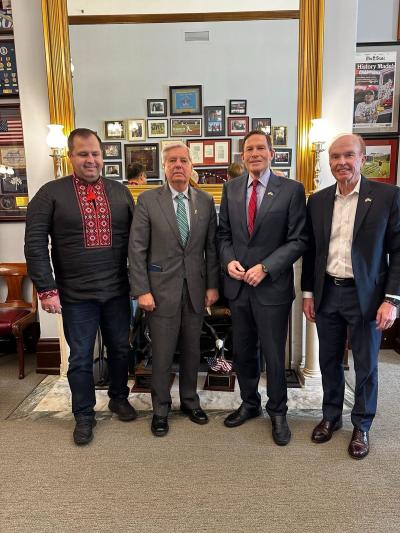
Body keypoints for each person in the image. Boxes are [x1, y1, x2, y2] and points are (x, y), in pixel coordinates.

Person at [24, 128, 137, 446]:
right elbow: (34, 243)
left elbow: (139, 241)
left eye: (95, 153)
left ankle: (118, 397)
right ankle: (84, 415)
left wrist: (142, 283)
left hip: (117, 291)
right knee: (81, 358)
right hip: (75, 296)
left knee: (121, 349)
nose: (90, 160)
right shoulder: (50, 194)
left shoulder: (120, 192)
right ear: (70, 157)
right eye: (83, 154)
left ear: (103, 156)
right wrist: (47, 289)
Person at [301, 133, 400, 460]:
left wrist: (393, 299)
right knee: (328, 360)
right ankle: (330, 416)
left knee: (366, 364)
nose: (341, 162)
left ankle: (362, 424)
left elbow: (398, 252)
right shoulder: (317, 200)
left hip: (368, 297)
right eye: (335, 157)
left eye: (348, 155)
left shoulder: (387, 196)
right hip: (328, 292)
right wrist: (307, 293)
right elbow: (312, 251)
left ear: (362, 157)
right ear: (329, 162)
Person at [217, 130, 308, 445]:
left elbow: (299, 239)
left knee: (272, 353)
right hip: (239, 287)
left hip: (272, 288)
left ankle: (278, 411)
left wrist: (267, 267)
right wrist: (228, 261)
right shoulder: (230, 189)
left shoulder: (292, 190)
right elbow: (223, 235)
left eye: (260, 148)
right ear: (243, 156)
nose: (254, 153)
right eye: (248, 149)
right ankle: (249, 403)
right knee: (243, 352)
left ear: (272, 153)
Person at [129, 141, 219, 437]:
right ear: (164, 168)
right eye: (172, 161)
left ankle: (190, 402)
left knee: (193, 351)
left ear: (191, 166)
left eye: (183, 160)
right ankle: (160, 409)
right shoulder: (148, 201)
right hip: (159, 291)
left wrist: (212, 286)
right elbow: (137, 249)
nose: (178, 165)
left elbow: (211, 249)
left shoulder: (205, 201)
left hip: (195, 290)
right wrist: (142, 289)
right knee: (163, 354)